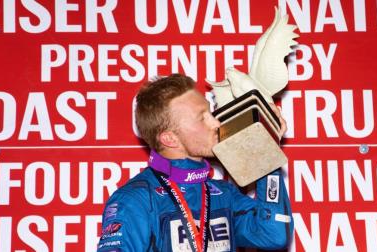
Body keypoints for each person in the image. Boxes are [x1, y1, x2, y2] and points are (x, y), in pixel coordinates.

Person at [97, 73, 293, 252]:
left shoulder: (222, 193)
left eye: (210, 112)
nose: (216, 123)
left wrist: (264, 151)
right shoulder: (136, 200)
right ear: (170, 139)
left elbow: (274, 234)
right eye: (202, 118)